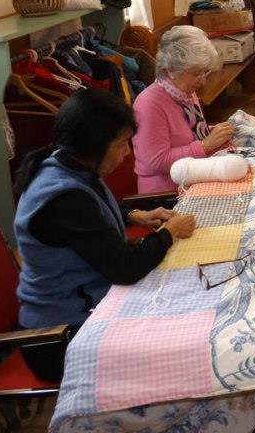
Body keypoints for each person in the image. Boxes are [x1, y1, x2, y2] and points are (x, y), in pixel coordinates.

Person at [13, 89, 196, 381]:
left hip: (84, 309)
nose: (127, 153)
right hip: (59, 337)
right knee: (183, 343)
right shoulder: (64, 197)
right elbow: (125, 267)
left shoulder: (66, 162)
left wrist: (133, 215)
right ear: (94, 144)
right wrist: (168, 233)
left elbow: (87, 219)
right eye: (123, 143)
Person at [133, 26, 235, 193]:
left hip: (192, 178)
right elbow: (155, 163)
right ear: (171, 71)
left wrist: (213, 132)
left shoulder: (184, 92)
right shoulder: (148, 104)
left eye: (205, 72)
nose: (203, 81)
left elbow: (187, 134)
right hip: (165, 194)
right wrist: (204, 146)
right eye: (196, 74)